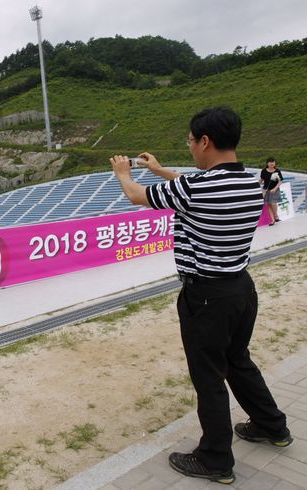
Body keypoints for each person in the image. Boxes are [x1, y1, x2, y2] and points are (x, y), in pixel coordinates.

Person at [110, 107, 291, 485]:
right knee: (238, 360)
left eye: (191, 142)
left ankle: (215, 459)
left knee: (208, 376)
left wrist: (124, 173)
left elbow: (135, 196)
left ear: (205, 141)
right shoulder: (249, 180)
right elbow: (193, 186)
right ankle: (272, 425)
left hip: (206, 295)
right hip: (241, 288)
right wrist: (159, 169)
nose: (190, 148)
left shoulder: (196, 188)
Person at [260, 157, 284, 226]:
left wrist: (275, 188)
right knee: (268, 205)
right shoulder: (263, 171)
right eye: (270, 162)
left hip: (274, 190)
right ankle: (272, 220)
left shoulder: (277, 171)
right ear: (267, 163)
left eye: (273, 162)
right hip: (266, 190)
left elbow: (280, 181)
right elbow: (261, 179)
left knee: (273, 203)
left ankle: (276, 215)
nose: (272, 163)